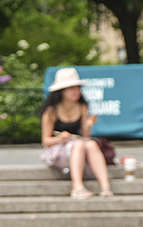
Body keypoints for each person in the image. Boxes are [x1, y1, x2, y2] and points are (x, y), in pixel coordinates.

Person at [39, 67, 114, 200]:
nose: (76, 91)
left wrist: (88, 125)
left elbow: (85, 137)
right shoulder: (51, 111)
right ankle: (77, 187)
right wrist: (60, 138)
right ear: (62, 91)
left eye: (78, 88)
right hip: (58, 151)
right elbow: (46, 141)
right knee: (79, 145)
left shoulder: (82, 107)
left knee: (90, 144)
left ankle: (105, 187)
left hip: (76, 148)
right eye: (72, 88)